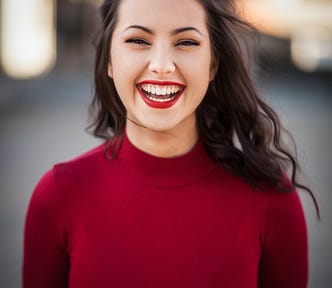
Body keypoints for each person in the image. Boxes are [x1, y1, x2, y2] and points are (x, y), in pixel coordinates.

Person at [23, 0, 319, 287]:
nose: (162, 66)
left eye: (186, 42)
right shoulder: (58, 196)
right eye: (138, 40)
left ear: (213, 64)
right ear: (109, 61)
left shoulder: (272, 200)